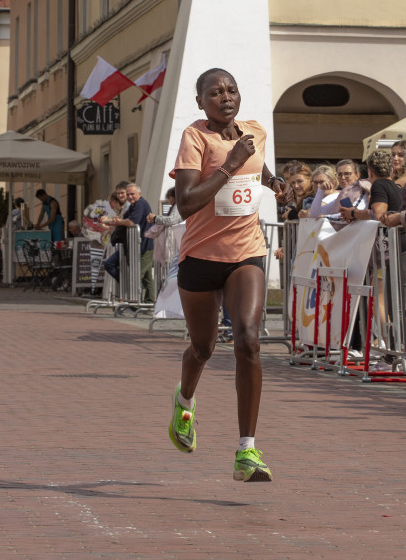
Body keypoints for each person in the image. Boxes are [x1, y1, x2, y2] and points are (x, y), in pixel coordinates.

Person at [167, 68, 285, 482]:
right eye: (215, 92)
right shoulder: (195, 137)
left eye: (231, 89)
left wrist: (273, 181)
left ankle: (246, 451)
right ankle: (184, 403)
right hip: (201, 256)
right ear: (201, 101)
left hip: (246, 252)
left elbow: (258, 164)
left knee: (249, 341)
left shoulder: (254, 131)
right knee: (202, 349)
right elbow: (185, 203)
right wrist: (228, 166)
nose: (225, 97)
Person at [103, 183, 155, 302]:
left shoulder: (140, 203)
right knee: (145, 278)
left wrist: (118, 222)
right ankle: (148, 302)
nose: (130, 196)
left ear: (139, 194)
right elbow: (123, 220)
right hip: (134, 246)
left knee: (137, 277)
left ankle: (135, 303)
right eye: (128, 194)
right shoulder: (133, 205)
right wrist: (112, 221)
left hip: (144, 245)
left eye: (132, 194)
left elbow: (132, 222)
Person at [338, 150, 402, 222]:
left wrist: (353, 212)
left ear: (370, 172)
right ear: (392, 171)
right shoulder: (399, 188)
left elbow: (377, 214)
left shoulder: (378, 185)